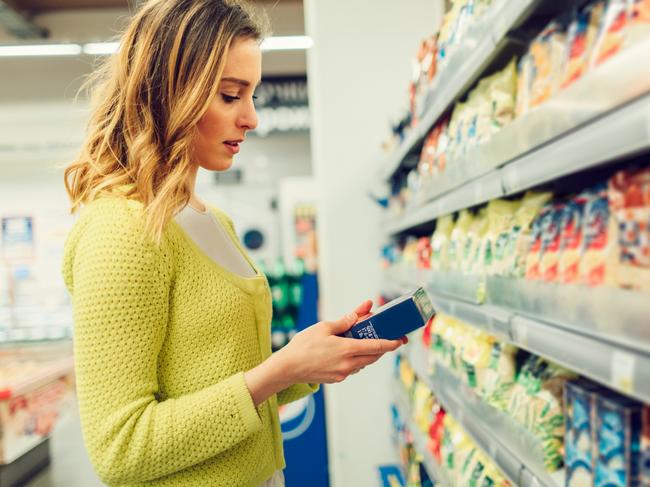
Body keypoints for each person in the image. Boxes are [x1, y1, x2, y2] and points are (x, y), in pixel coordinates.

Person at [61, 1, 404, 486]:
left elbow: (216, 379)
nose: (252, 118)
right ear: (168, 95)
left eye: (253, 95)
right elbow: (121, 448)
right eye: (229, 95)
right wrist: (276, 370)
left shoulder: (210, 220)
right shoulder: (121, 232)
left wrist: (302, 360)